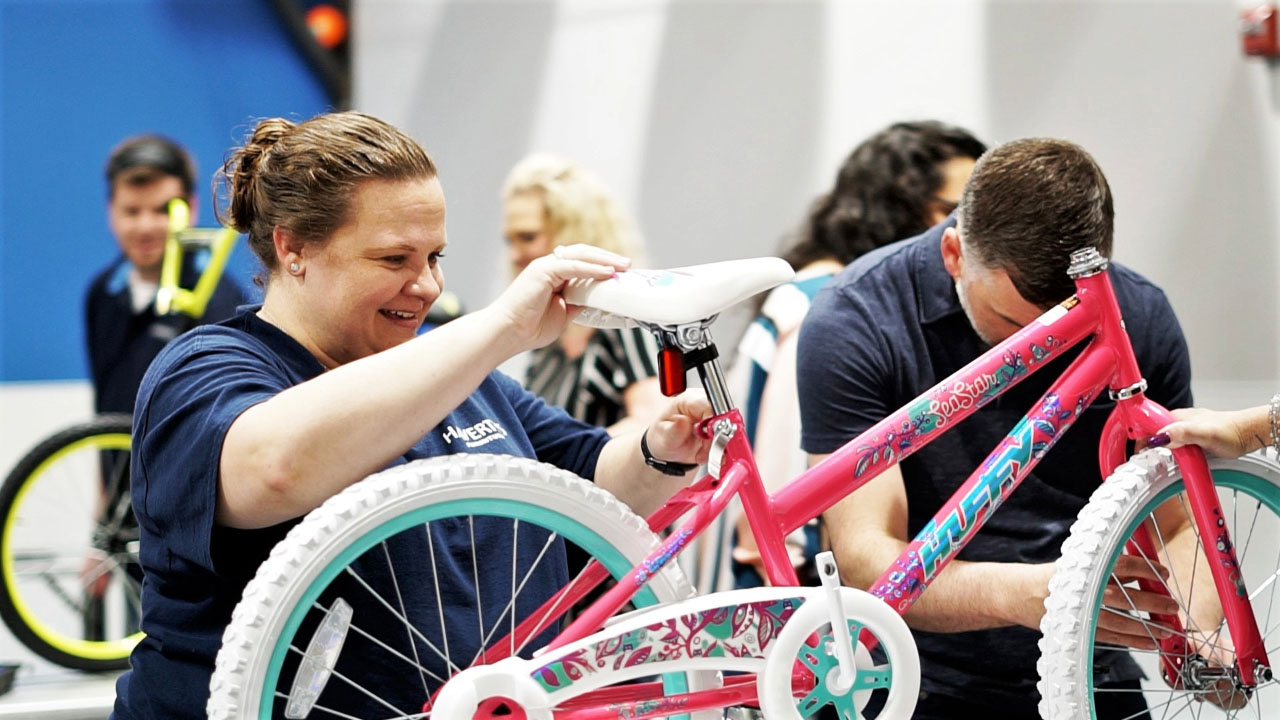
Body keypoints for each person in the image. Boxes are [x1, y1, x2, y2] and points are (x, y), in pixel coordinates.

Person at [111, 112, 711, 719]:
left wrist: (661, 445)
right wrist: (501, 328)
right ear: (293, 247)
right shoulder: (205, 370)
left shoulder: (457, 375)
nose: (425, 285)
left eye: (434, 256)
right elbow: (270, 470)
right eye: (395, 258)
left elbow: (594, 482)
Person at [797, 138, 1193, 719]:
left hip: (1087, 665)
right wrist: (1036, 593)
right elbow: (869, 559)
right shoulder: (858, 318)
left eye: (1066, 327)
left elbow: (1178, 522)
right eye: (1011, 323)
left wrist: (1208, 628)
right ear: (955, 253)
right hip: (917, 679)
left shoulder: (1141, 313)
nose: (1037, 348)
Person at [728, 121, 987, 588]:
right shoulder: (824, 306)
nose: (974, 232)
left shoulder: (822, 294)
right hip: (786, 602)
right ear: (895, 210)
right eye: (955, 211)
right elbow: (782, 508)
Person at [85, 135, 248, 416]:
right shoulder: (101, 292)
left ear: (192, 208)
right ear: (111, 212)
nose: (145, 226)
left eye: (162, 210)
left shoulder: (223, 304)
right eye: (132, 211)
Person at [502, 153, 666, 433]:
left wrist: (567, 458)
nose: (515, 255)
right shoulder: (549, 333)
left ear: (573, 233)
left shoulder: (626, 317)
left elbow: (653, 420)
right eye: (510, 240)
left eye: (528, 237)